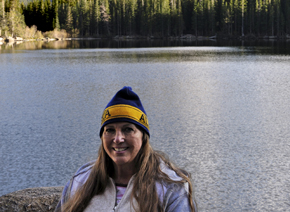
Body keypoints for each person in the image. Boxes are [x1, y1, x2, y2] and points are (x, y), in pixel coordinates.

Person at [55, 86, 196, 212]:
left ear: (143, 136)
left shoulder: (170, 186)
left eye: (128, 129)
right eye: (109, 130)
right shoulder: (81, 180)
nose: (118, 139)